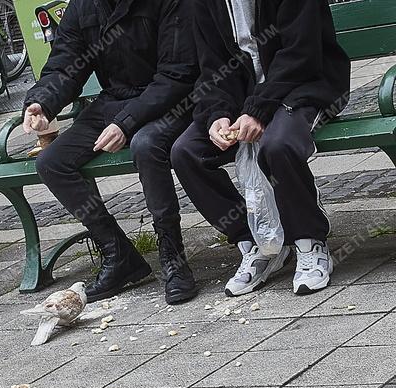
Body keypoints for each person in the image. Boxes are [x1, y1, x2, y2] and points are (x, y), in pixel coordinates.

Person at [23, 0, 199, 304]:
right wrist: (41, 102)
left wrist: (126, 123)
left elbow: (178, 74)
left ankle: (173, 256)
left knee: (145, 145)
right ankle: (119, 255)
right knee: (52, 162)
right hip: (114, 102)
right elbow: (66, 63)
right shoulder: (84, 6)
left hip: (170, 101)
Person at [171, 0, 350, 296]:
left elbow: (301, 55)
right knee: (186, 152)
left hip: (305, 86)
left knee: (278, 144)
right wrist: (217, 114)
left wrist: (257, 110)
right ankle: (258, 242)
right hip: (244, 99)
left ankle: (309, 240)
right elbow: (212, 67)